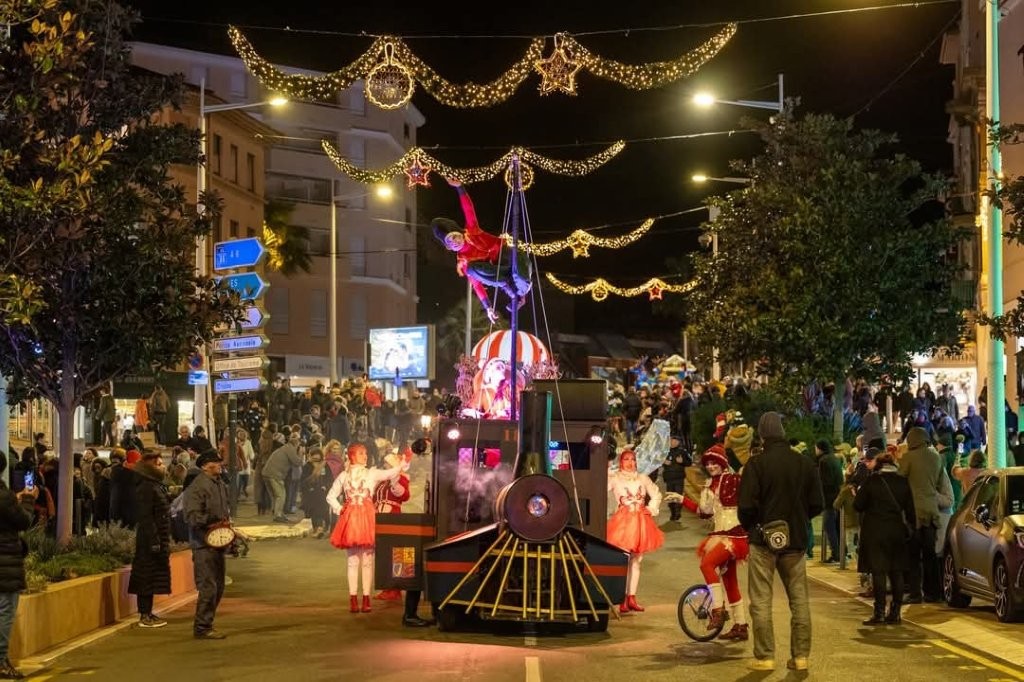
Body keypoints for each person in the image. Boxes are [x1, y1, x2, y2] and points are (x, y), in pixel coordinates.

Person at [738, 412, 824, 673]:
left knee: (761, 600)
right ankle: (800, 657)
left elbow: (746, 506)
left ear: (762, 434)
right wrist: (797, 521)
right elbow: (817, 503)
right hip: (795, 542)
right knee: (799, 600)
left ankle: (765, 657)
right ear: (783, 432)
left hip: (763, 540)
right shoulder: (805, 463)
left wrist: (754, 527)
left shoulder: (756, 464)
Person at [431, 179, 532, 323]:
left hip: (505, 256)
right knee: (472, 269)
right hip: (499, 272)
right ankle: (511, 289)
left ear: (459, 233)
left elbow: (468, 210)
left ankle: (520, 292)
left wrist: (460, 188)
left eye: (454, 236)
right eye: (451, 242)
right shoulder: (464, 262)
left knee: (518, 256)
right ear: (449, 247)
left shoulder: (472, 230)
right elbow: (477, 285)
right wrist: (488, 308)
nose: (455, 241)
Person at [679, 445, 749, 641]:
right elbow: (705, 512)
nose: (710, 466)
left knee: (707, 564)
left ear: (722, 463)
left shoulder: (733, 480)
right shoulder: (711, 484)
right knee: (729, 580)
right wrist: (682, 500)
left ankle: (718, 610)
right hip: (721, 533)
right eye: (708, 463)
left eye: (714, 463)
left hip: (733, 535)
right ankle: (740, 625)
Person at [326, 443, 404, 614]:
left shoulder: (372, 473)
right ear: (352, 456)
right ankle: (353, 599)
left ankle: (366, 598)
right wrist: (340, 509)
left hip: (367, 518)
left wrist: (402, 463)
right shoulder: (344, 476)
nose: (365, 456)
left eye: (366, 453)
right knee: (353, 561)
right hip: (352, 520)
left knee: (367, 561)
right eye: (362, 453)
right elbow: (331, 496)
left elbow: (390, 473)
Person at [854, 448, 915, 625]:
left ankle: (879, 612)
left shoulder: (872, 481)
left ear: (879, 465)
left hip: (874, 531)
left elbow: (858, 505)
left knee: (878, 572)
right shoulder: (903, 482)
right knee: (896, 571)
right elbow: (910, 511)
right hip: (896, 530)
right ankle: (895, 612)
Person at [606, 449, 663, 614]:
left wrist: (651, 509)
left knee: (637, 561)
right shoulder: (615, 478)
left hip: (640, 522)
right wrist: (606, 471)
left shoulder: (642, 478)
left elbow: (657, 494)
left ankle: (632, 597)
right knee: (624, 560)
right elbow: (601, 488)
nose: (630, 463)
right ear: (621, 461)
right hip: (623, 523)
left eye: (632, 459)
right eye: (626, 459)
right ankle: (622, 598)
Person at [183, 451, 231, 640]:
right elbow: (192, 517)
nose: (219, 464)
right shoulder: (197, 487)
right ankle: (202, 627)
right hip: (203, 544)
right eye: (215, 461)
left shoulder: (218, 484)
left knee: (218, 586)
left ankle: (206, 623)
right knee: (208, 586)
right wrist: (213, 521)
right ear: (204, 466)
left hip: (217, 542)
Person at [898, 426, 944, 603]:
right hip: (932, 512)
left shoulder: (908, 458)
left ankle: (916, 593)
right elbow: (939, 483)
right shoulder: (936, 457)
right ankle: (934, 592)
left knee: (914, 555)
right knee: (930, 555)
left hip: (914, 513)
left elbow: (900, 478)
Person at [128, 450, 172, 628]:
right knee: (146, 575)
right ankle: (144, 614)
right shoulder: (146, 486)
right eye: (159, 464)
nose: (163, 466)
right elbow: (146, 516)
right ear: (151, 466)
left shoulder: (155, 484)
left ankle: (148, 612)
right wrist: (154, 540)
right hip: (148, 540)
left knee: (153, 576)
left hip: (157, 537)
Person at [0, 478, 38, 679]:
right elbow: (23, 521)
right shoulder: (3, 496)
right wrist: (28, 500)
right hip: (5, 563)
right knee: (5, 611)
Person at [372, 450, 411, 601]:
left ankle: (395, 588)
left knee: (394, 554)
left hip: (393, 517)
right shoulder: (382, 481)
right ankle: (387, 587)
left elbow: (404, 496)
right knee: (383, 554)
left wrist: (395, 480)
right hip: (379, 517)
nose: (385, 466)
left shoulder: (401, 478)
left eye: (387, 464)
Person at [262, 432, 303, 523]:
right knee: (281, 494)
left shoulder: (284, 448)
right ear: (296, 443)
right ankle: (278, 515)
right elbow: (297, 462)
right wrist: (300, 454)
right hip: (275, 474)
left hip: (267, 473)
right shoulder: (290, 449)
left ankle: (277, 512)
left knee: (275, 495)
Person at [814, 440, 844, 563]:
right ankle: (843, 551)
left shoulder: (823, 461)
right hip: (837, 495)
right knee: (836, 526)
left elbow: (824, 482)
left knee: (828, 525)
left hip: (828, 498)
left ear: (820, 448)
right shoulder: (835, 458)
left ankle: (836, 553)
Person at [300, 447, 333, 539]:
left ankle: (321, 528)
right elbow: (303, 482)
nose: (316, 462)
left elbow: (330, 479)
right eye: (313, 460)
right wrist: (313, 477)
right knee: (315, 510)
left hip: (323, 493)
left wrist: (325, 486)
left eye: (318, 460)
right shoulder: (307, 467)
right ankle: (318, 528)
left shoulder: (325, 466)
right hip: (311, 494)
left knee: (322, 510)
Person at [662, 434, 688, 522]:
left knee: (678, 496)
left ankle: (677, 513)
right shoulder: (665, 452)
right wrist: (663, 462)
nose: (672, 442)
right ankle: (672, 513)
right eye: (671, 440)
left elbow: (689, 462)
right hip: (669, 478)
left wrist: (682, 461)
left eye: (674, 441)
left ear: (678, 442)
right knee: (670, 497)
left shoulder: (682, 452)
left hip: (679, 478)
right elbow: (657, 461)